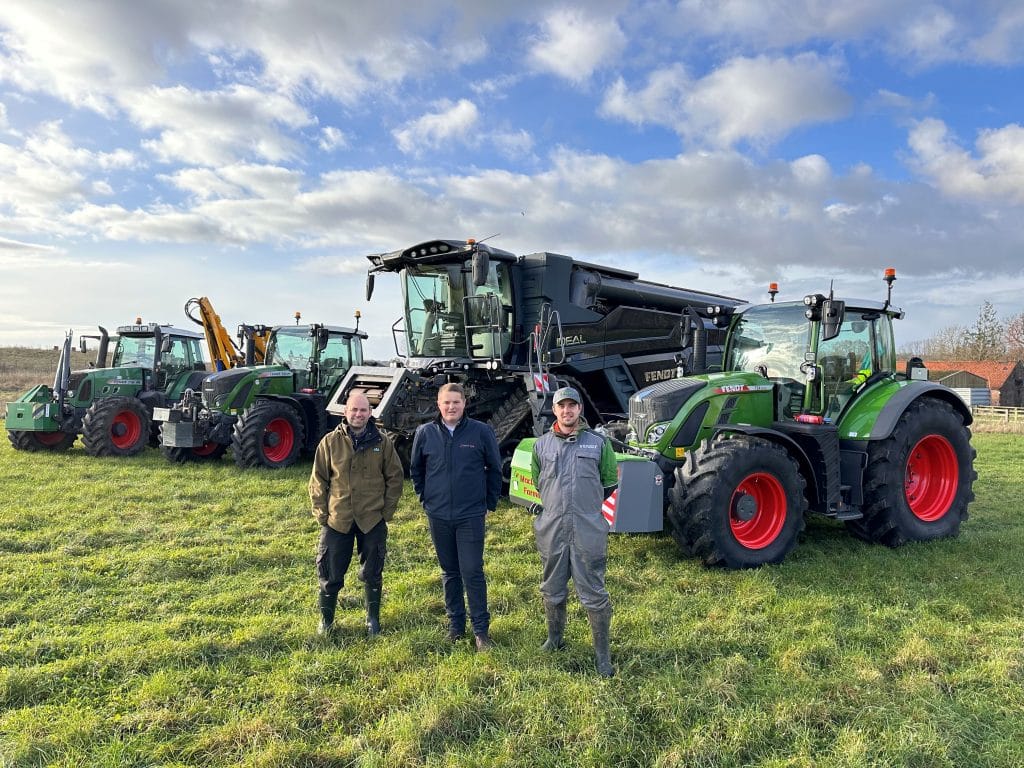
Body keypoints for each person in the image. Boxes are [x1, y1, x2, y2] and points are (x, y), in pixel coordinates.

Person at [530, 386, 619, 676]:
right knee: (552, 588)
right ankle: (554, 639)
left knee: (594, 592)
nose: (567, 411)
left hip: (587, 529)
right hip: (552, 528)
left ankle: (602, 656)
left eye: (572, 406)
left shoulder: (598, 444)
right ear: (554, 410)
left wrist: (584, 508)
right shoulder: (540, 446)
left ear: (580, 410)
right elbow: (538, 482)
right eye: (561, 406)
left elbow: (608, 483)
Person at [410, 382, 502, 651]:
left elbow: (494, 470)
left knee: (472, 571)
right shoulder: (425, 433)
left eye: (456, 402)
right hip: (438, 515)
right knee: (449, 572)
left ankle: (481, 632)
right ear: (438, 404)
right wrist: (426, 499)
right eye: (446, 402)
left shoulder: (481, 432)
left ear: (465, 404)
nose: (451, 407)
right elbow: (416, 470)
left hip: (471, 515)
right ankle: (455, 626)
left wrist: (489, 503)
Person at [308, 391, 404, 637]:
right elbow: (318, 480)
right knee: (329, 571)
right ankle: (326, 621)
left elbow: (395, 478)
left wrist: (386, 511)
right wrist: (322, 514)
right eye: (354, 410)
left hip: (372, 519)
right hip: (337, 519)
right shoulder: (329, 442)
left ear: (370, 413)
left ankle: (372, 620)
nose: (358, 414)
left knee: (373, 572)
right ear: (345, 412)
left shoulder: (383, 443)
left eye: (363, 410)